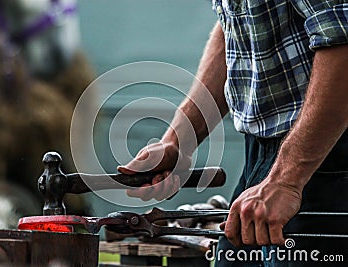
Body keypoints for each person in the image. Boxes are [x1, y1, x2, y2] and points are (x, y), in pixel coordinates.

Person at [118, 0, 348, 266]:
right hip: (267, 157)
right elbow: (237, 26)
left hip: (325, 156)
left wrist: (287, 180)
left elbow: (341, 38)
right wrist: (178, 142)